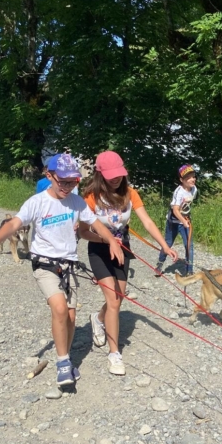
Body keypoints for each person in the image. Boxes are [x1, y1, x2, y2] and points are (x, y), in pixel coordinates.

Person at [0, 154, 124, 385]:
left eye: (73, 182)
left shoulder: (76, 202)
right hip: (44, 264)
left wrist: (112, 240)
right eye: (63, 181)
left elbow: (96, 223)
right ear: (50, 176)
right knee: (58, 308)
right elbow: (15, 223)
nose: (68, 187)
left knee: (70, 316)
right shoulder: (37, 202)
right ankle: (63, 362)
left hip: (69, 265)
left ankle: (65, 357)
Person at [79, 151, 178, 376]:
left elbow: (147, 221)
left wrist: (164, 245)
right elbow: (84, 233)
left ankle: (98, 318)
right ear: (100, 173)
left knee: (119, 298)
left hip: (122, 250)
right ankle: (115, 354)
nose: (115, 179)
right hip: (99, 249)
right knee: (113, 301)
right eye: (110, 175)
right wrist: (106, 238)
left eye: (119, 174)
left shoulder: (130, 194)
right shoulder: (91, 197)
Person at [156, 164, 198, 276]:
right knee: (168, 243)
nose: (192, 179)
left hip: (185, 220)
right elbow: (175, 210)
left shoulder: (194, 189)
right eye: (188, 178)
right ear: (182, 180)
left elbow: (187, 206)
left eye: (193, 176)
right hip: (174, 222)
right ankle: (160, 264)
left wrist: (186, 220)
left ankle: (189, 270)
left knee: (189, 245)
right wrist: (183, 222)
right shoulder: (178, 192)